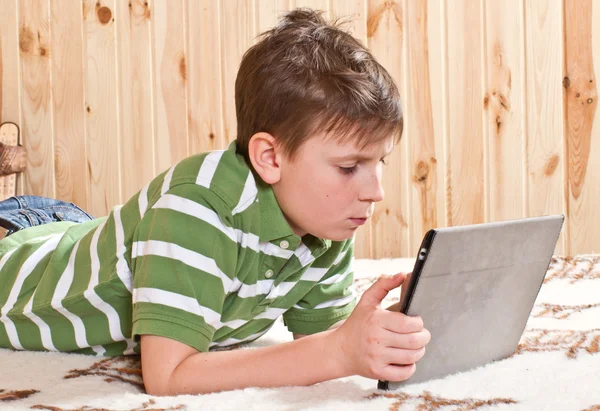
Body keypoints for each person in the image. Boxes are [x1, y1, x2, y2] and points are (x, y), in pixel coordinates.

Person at [0, 8, 430, 395]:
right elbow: (169, 376)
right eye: (348, 166)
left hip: (76, 229)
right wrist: (337, 352)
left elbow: (326, 340)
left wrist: (392, 326)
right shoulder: (196, 210)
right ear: (270, 157)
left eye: (380, 162)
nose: (376, 191)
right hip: (18, 276)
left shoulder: (329, 221)